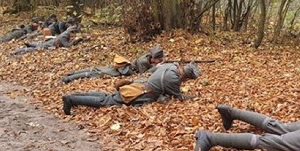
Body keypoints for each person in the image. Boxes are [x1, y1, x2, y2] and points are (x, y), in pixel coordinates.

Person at [62, 62, 201, 115]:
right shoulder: (173, 80)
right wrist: (193, 98)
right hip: (140, 93)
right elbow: (178, 96)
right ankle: (72, 99)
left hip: (138, 85)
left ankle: (73, 96)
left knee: (106, 96)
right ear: (186, 77)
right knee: (106, 101)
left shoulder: (171, 66)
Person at [61, 45, 165, 83]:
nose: (159, 61)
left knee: (94, 69)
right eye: (159, 60)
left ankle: (71, 74)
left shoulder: (147, 57)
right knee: (93, 73)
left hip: (123, 66)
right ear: (154, 59)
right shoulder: (143, 61)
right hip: (122, 70)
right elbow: (143, 74)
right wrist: (156, 68)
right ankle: (68, 78)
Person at [11, 26, 88, 55]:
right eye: (74, 34)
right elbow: (67, 45)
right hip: (51, 45)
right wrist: (76, 41)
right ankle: (17, 51)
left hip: (51, 41)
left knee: (39, 44)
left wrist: (82, 39)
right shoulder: (64, 36)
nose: (74, 36)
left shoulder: (66, 34)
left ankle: (29, 43)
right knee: (35, 49)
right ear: (71, 32)